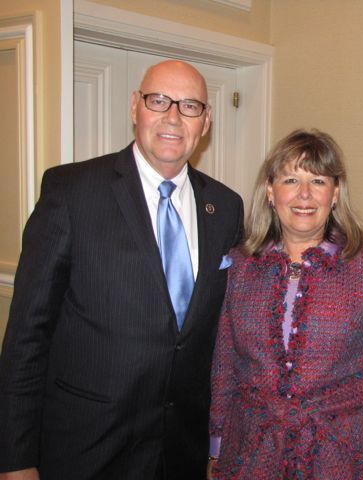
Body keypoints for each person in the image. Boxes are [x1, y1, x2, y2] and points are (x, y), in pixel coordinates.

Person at [0, 60, 243, 480]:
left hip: (181, 448)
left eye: (189, 106)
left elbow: (219, 336)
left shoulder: (225, 206)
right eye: (158, 100)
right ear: (135, 107)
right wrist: (15, 459)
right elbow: (26, 334)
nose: (172, 116)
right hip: (87, 445)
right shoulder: (71, 192)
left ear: (205, 122)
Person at [207, 129, 363, 479]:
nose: (304, 194)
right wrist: (216, 446)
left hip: (347, 455)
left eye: (319, 181)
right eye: (291, 179)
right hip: (253, 453)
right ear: (269, 190)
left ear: (336, 192)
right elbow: (225, 363)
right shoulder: (242, 266)